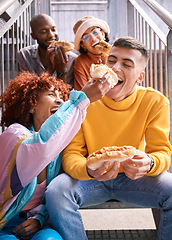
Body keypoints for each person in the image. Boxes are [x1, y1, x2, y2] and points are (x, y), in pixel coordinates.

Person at [45, 37, 172, 240]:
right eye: (111, 61)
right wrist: (88, 169)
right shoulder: (84, 99)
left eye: (126, 64)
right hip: (90, 179)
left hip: (135, 179)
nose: (115, 68)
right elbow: (71, 154)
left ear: (140, 76)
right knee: (56, 191)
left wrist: (149, 163)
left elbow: (162, 153)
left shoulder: (155, 101)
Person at [0, 71, 113, 239]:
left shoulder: (62, 148)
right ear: (31, 104)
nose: (60, 100)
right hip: (4, 223)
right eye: (51, 94)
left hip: (39, 224)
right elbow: (41, 146)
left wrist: (39, 218)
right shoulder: (14, 134)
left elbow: (52, 196)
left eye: (62, 97)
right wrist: (81, 100)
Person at [17, 14, 77, 83]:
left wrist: (61, 72)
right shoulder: (24, 55)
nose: (51, 35)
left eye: (53, 29)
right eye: (43, 32)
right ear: (33, 36)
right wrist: (50, 70)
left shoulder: (72, 59)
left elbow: (68, 92)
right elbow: (26, 90)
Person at [73, 16, 110, 90]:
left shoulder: (115, 52)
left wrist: (110, 57)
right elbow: (82, 94)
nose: (93, 39)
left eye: (95, 32)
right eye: (86, 37)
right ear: (83, 45)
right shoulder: (81, 62)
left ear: (102, 34)